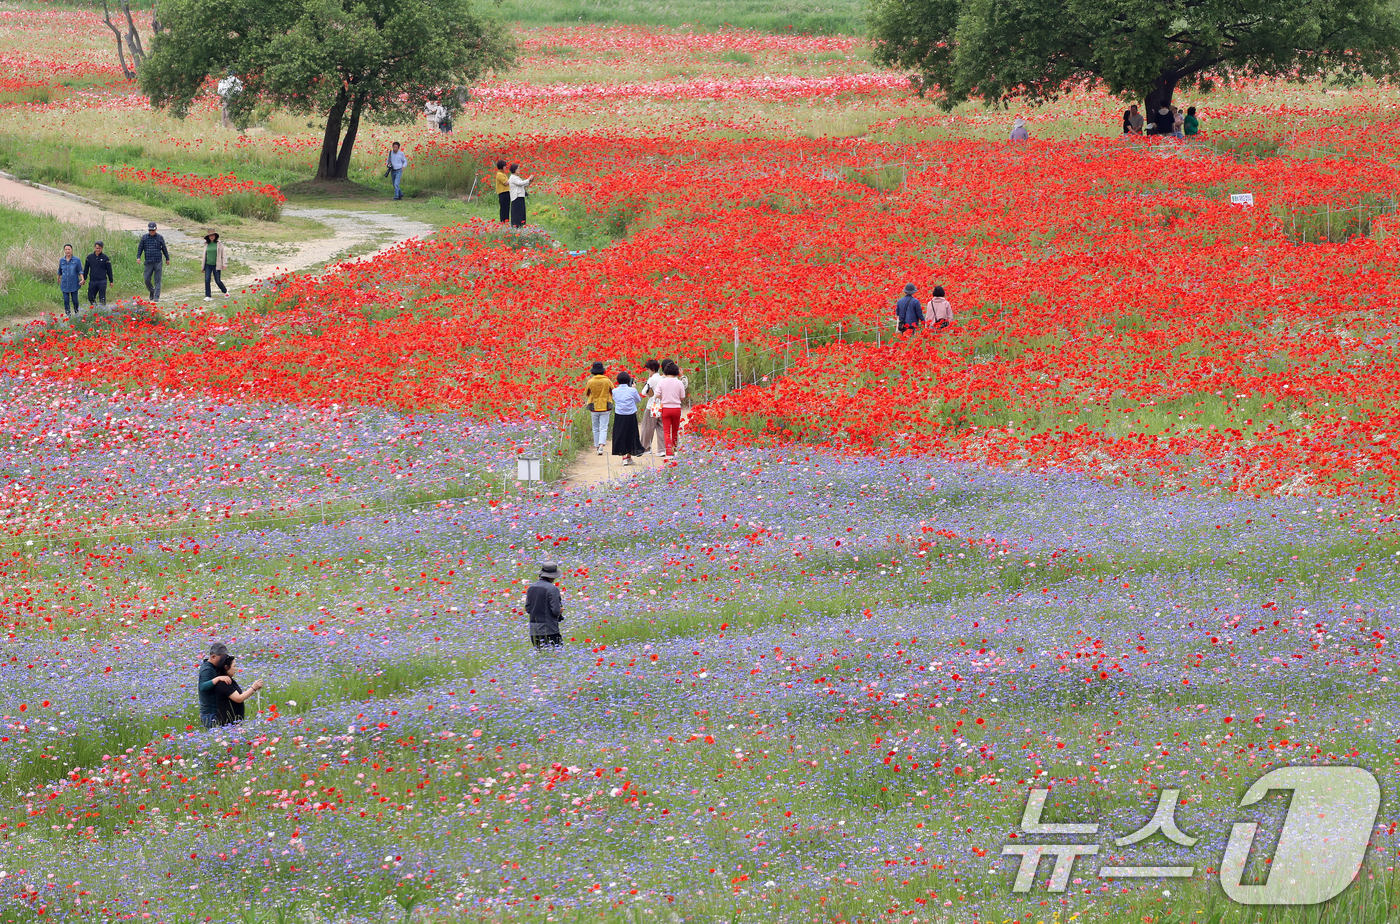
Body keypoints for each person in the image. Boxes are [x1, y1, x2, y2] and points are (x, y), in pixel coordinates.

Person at [210, 654, 263, 726]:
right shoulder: (223, 683)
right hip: (228, 724)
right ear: (226, 667)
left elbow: (239, 695)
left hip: (235, 722)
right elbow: (238, 698)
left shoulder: (230, 680)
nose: (235, 669)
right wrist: (253, 688)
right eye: (234, 666)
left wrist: (255, 689)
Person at [525, 561, 564, 648]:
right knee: (555, 655)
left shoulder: (531, 588)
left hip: (534, 631)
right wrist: (560, 611)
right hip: (549, 630)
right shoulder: (552, 589)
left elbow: (528, 608)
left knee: (540, 657)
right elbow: (556, 611)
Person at [610, 371, 645, 465]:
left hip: (619, 416)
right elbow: (638, 400)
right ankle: (629, 456)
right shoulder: (632, 390)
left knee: (621, 435)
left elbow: (615, 400)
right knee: (631, 434)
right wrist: (634, 389)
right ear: (629, 380)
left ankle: (624, 457)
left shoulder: (614, 391)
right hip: (630, 415)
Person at [655, 360, 686, 459]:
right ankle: (675, 449)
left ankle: (669, 452)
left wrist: (664, 398)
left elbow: (657, 395)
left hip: (665, 408)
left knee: (666, 430)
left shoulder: (662, 382)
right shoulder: (679, 383)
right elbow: (682, 397)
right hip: (676, 408)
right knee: (675, 430)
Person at [584, 361, 613, 455]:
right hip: (605, 406)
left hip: (594, 407)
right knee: (603, 427)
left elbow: (586, 393)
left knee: (595, 428)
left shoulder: (590, 381)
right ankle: (601, 446)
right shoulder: (607, 381)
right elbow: (613, 391)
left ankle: (597, 446)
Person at [136, 222, 169, 301]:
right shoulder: (144, 238)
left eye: (153, 230)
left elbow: (164, 248)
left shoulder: (160, 238)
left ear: (156, 229)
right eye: (150, 230)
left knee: (157, 279)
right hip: (148, 262)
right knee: (147, 279)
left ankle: (156, 296)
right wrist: (138, 257)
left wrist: (167, 258)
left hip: (158, 261)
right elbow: (140, 248)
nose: (151, 232)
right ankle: (152, 290)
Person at [638, 358, 662, 456]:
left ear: (651, 369)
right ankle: (662, 449)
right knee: (661, 427)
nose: (647, 371)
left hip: (652, 405)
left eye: (647, 369)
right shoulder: (662, 378)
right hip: (661, 404)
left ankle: (646, 448)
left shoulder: (651, 379)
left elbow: (644, 392)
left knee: (648, 427)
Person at [83, 240, 113, 310]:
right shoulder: (89, 258)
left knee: (102, 298)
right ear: (94, 248)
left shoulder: (105, 258)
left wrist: (111, 281)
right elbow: (86, 269)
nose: (98, 250)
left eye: (99, 248)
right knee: (90, 297)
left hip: (102, 281)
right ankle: (96, 309)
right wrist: (84, 279)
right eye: (97, 248)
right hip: (93, 281)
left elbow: (109, 270)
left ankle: (103, 312)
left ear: (102, 248)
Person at [57, 244, 82, 317]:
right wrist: (58, 278)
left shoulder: (77, 260)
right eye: (66, 249)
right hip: (65, 283)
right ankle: (68, 315)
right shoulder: (62, 260)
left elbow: (80, 271)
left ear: (72, 250)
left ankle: (77, 313)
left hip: (74, 283)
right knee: (66, 300)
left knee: (75, 300)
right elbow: (60, 271)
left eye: (69, 249)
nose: (67, 251)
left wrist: (82, 279)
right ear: (64, 251)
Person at [202, 231, 228, 300]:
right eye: (210, 235)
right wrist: (203, 267)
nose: (212, 237)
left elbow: (223, 254)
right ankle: (208, 296)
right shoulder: (206, 244)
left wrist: (224, 264)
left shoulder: (219, 244)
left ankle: (225, 292)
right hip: (208, 265)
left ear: (215, 236)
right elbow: (204, 256)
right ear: (208, 237)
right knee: (207, 280)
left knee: (218, 281)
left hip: (216, 265)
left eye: (213, 235)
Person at [508, 163, 532, 227]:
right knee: (517, 212)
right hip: (516, 197)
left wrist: (530, 181)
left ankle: (520, 224)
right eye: (518, 168)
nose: (519, 169)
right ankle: (516, 225)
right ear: (514, 170)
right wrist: (528, 179)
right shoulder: (513, 178)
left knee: (521, 211)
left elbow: (523, 185)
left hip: (520, 196)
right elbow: (520, 183)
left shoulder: (517, 177)